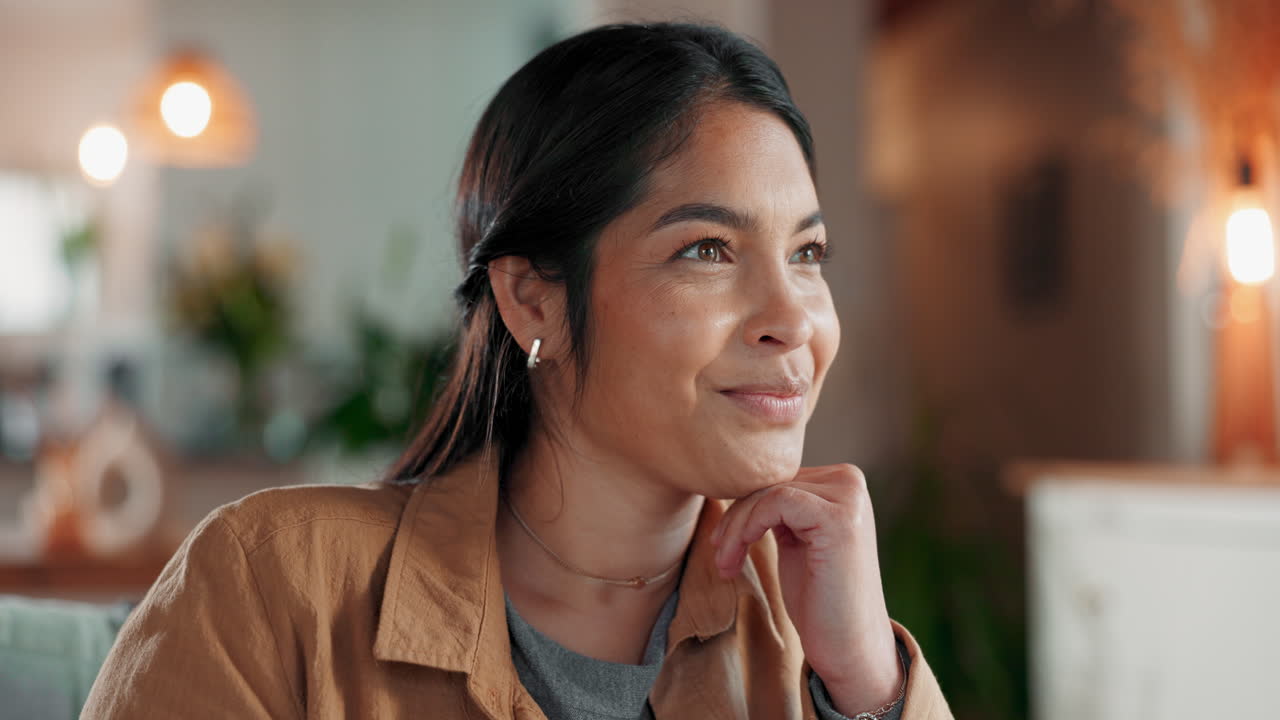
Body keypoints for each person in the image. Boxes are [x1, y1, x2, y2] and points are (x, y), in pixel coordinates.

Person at [83, 22, 953, 720]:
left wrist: (869, 687)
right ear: (533, 299)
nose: (794, 319)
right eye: (708, 249)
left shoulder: (811, 629)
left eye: (807, 253)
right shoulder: (270, 583)